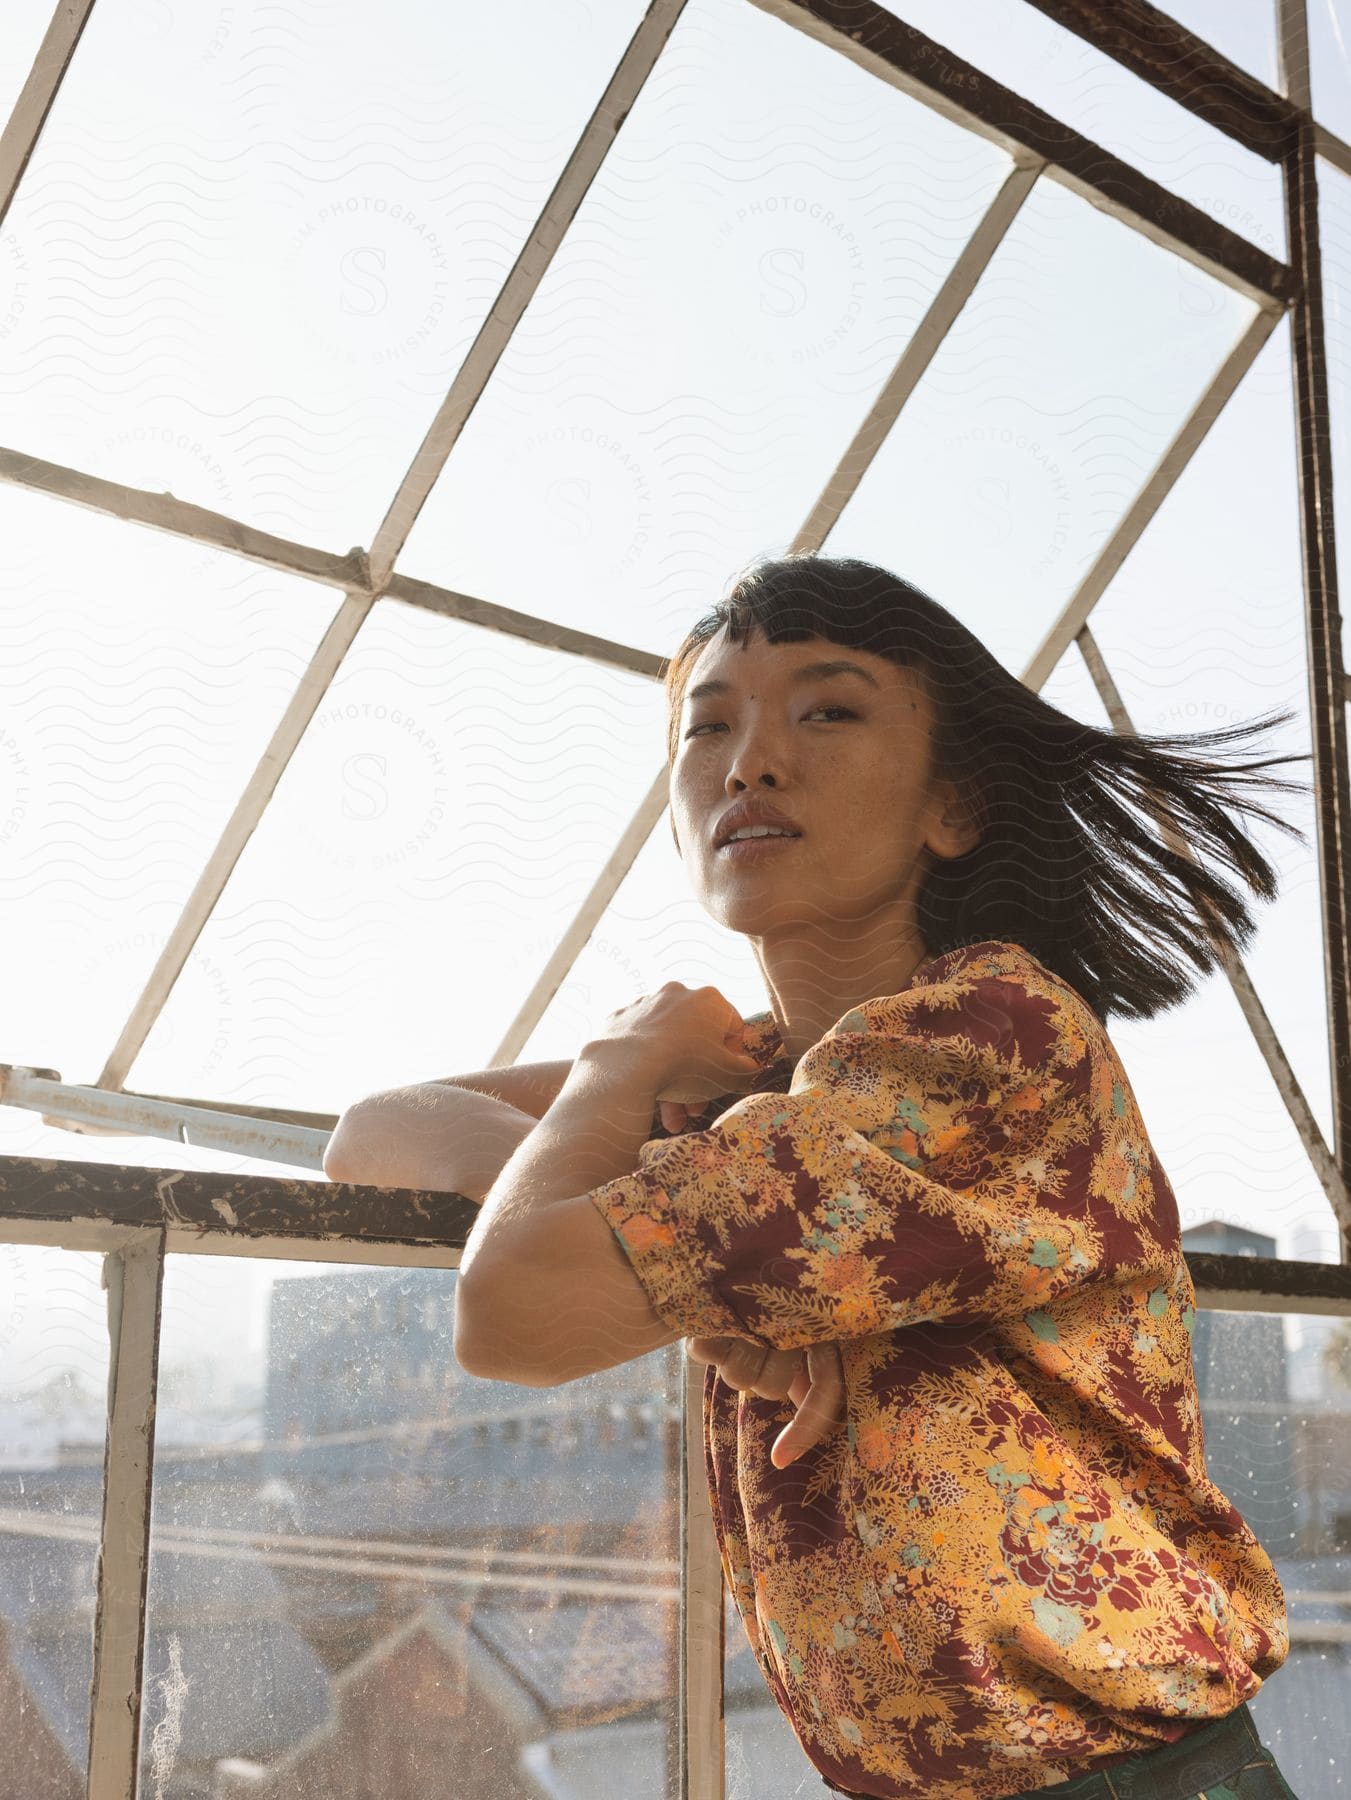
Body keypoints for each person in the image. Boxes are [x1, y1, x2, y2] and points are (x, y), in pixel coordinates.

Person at [445, 555, 1312, 1797]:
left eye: (827, 709)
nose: (749, 762)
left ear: (951, 806)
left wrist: (615, 1096)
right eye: (710, 727)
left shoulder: (983, 1036)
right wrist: (657, 1216)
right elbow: (377, 1131)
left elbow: (512, 1309)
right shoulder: (778, 1102)